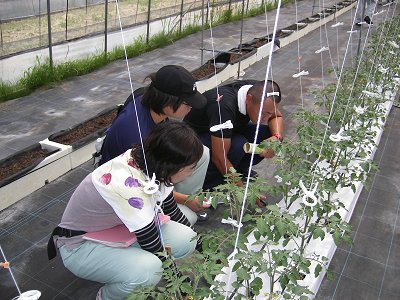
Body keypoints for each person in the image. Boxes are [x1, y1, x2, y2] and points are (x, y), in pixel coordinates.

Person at [47, 121, 203, 300]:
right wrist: (179, 284)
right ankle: (107, 296)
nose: (191, 173)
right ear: (172, 166)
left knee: (186, 239)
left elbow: (172, 212)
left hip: (119, 231)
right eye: (191, 168)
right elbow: (152, 244)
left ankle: (124, 270)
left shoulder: (152, 166)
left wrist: (204, 248)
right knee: (150, 270)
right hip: (79, 245)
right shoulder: (127, 185)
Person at [99, 65, 211, 224]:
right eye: (187, 103)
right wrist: (186, 200)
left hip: (150, 173)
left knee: (202, 153)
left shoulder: (147, 100)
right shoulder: (137, 136)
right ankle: (180, 210)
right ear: (167, 101)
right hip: (126, 190)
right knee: (188, 218)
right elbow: (144, 185)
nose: (191, 107)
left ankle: (186, 199)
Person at [184, 79, 284, 194]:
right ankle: (209, 188)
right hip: (195, 138)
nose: (265, 118)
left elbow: (277, 116)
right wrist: (243, 191)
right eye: (262, 112)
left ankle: (238, 173)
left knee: (265, 134)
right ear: (248, 99)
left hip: (228, 130)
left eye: (268, 113)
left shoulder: (260, 91)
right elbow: (219, 157)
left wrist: (276, 137)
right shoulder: (224, 106)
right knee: (238, 146)